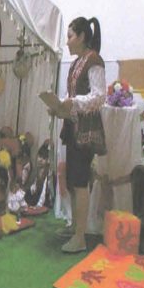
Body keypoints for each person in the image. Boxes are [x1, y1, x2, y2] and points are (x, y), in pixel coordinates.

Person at [53, 16, 107, 253]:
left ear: (82, 36)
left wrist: (72, 103)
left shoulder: (94, 60)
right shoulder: (77, 63)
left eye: (70, 36)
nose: (67, 42)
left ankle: (80, 237)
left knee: (81, 181)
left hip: (86, 130)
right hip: (73, 126)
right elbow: (72, 95)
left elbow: (99, 96)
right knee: (74, 181)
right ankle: (75, 226)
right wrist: (58, 105)